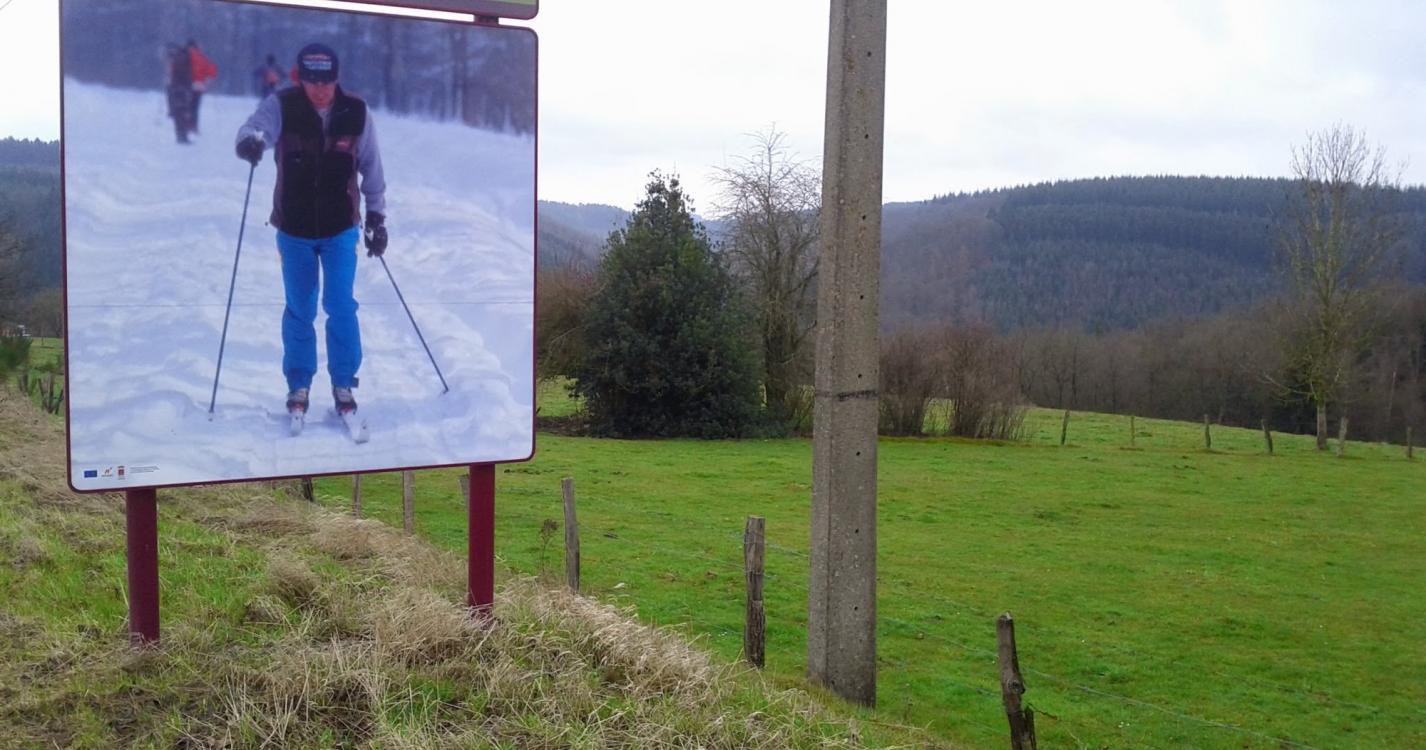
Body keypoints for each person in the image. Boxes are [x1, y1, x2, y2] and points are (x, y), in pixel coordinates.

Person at [233, 43, 388, 421]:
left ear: (337, 78)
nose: (320, 89)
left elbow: (372, 166)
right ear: (300, 78)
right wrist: (250, 141)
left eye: (327, 81)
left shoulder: (356, 112)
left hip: (341, 228)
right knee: (300, 308)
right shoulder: (282, 105)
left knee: (340, 304)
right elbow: (254, 127)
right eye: (312, 81)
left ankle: (343, 382)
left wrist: (376, 217)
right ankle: (298, 383)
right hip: (294, 228)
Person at [163, 43, 194, 144]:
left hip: (175, 88)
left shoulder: (175, 60)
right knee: (183, 113)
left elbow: (172, 74)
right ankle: (183, 136)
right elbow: (187, 76)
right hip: (183, 89)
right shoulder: (186, 60)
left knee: (178, 113)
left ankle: (180, 135)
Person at [186, 40, 218, 135]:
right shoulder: (201, 57)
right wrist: (207, 80)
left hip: (188, 85)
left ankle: (187, 125)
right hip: (199, 86)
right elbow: (213, 69)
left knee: (187, 106)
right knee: (195, 107)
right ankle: (194, 126)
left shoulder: (185, 56)